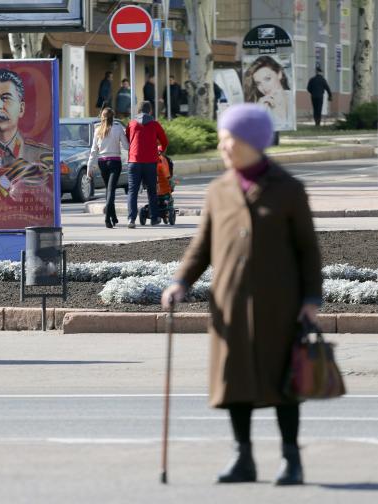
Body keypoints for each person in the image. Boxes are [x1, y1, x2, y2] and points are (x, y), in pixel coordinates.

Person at [162, 104, 323, 486]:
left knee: (285, 384)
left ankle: (291, 459)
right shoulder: (219, 191)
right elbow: (201, 247)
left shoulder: (288, 189)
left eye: (228, 139)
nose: (223, 147)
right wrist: (180, 282)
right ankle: (243, 457)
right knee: (233, 382)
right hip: (229, 304)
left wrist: (311, 300)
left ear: (251, 142)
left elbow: (308, 250)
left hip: (279, 306)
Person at [125, 101, 168, 228]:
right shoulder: (155, 124)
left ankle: (131, 219)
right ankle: (154, 219)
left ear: (138, 111)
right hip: (150, 162)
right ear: (150, 111)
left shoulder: (132, 124)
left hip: (134, 161)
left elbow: (128, 139)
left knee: (132, 191)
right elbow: (164, 141)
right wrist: (159, 150)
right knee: (151, 190)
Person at [86, 107, 129, 228]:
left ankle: (113, 217)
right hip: (115, 162)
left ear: (102, 117)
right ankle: (107, 218)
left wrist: (89, 167)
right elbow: (126, 146)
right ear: (113, 117)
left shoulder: (97, 130)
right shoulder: (118, 128)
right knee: (111, 190)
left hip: (102, 163)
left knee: (109, 190)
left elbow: (93, 151)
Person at [243, 55, 292, 130]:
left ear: (279, 74)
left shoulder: (293, 98)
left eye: (267, 79)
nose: (264, 87)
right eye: (258, 83)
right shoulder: (260, 106)